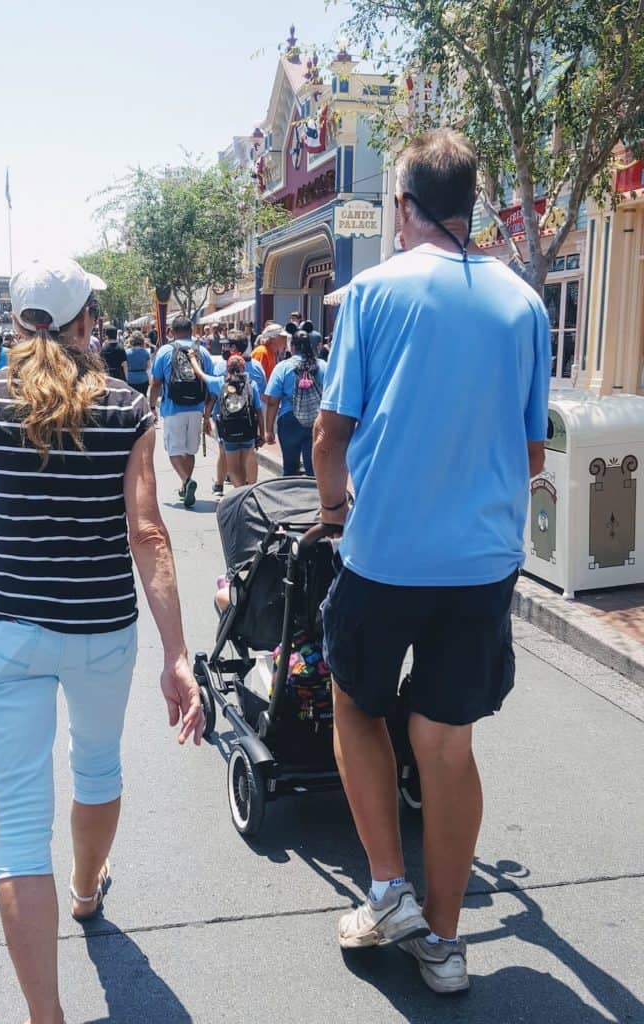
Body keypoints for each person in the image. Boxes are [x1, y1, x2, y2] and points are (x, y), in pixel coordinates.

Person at [0, 256, 203, 1024]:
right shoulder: (128, 406)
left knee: (18, 827)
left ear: (17, 322)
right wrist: (176, 652)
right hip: (102, 628)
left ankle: (46, 1015)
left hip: (9, 629)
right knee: (97, 765)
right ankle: (86, 890)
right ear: (83, 324)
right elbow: (147, 532)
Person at [314, 129, 551, 994]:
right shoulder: (525, 304)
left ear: (406, 207)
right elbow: (532, 454)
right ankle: (445, 946)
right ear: (474, 205)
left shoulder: (373, 293)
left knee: (354, 702)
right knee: (447, 745)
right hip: (484, 564)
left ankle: (387, 891)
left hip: (383, 556)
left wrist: (336, 514)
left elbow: (328, 436)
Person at [149, 315, 214, 508]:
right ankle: (185, 484)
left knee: (174, 450)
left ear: (171, 331)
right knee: (189, 450)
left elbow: (155, 383)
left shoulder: (165, 351)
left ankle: (186, 481)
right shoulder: (203, 352)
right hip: (196, 408)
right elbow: (211, 384)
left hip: (173, 408)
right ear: (192, 331)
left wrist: (152, 406)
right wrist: (208, 414)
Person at [187, 350, 264, 489]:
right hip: (248, 429)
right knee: (249, 456)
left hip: (229, 432)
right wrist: (262, 433)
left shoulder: (219, 383)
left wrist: (192, 358)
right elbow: (259, 411)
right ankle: (252, 489)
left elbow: (201, 375)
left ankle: (239, 491)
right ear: (243, 368)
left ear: (227, 368)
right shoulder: (251, 385)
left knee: (233, 467)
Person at [211, 330, 267, 495]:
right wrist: (262, 432)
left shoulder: (222, 366)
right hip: (249, 420)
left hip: (225, 421)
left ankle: (225, 485)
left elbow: (213, 395)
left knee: (226, 454)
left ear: (234, 348)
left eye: (228, 345)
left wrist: (207, 416)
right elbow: (262, 392)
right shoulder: (256, 366)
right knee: (248, 453)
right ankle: (249, 486)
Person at [265, 328, 327, 477]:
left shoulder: (283, 367)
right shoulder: (323, 366)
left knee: (290, 469)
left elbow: (273, 401)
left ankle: (291, 497)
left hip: (289, 421)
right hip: (316, 420)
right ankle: (313, 497)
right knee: (314, 468)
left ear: (292, 346)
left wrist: (269, 430)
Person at [125, 330, 151, 396]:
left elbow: (125, 367)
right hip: (143, 379)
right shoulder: (145, 352)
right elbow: (148, 367)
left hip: (131, 379)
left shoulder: (127, 353)